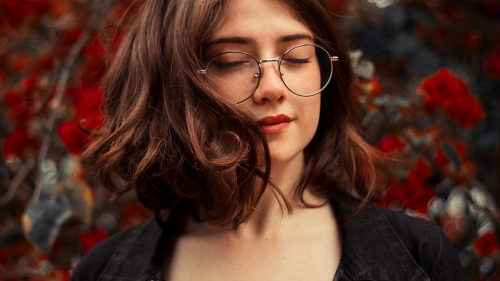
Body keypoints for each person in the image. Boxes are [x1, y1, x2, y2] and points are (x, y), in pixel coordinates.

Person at [72, 0, 465, 280]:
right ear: (173, 83)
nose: (273, 88)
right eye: (231, 61)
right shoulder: (105, 270)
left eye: (296, 57)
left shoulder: (418, 257)